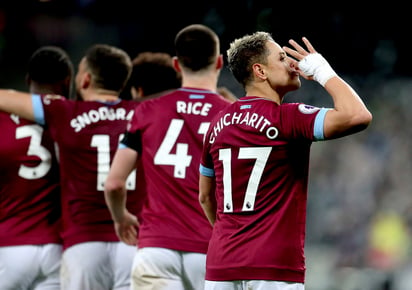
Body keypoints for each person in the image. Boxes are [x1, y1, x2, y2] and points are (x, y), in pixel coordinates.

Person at [198, 33, 372, 290]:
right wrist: (323, 71)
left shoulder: (217, 124)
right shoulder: (287, 118)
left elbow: (205, 196)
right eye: (282, 58)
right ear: (260, 71)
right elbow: (358, 115)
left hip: (221, 267)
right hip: (273, 267)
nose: (293, 64)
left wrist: (229, 239)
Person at [0, 43, 140, 290]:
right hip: (125, 242)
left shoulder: (64, 112)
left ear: (84, 79)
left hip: (69, 243)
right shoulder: (142, 112)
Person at [104, 23, 232, 290]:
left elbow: (114, 183)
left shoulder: (147, 110)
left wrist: (121, 217)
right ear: (219, 62)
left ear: (176, 64)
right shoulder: (232, 115)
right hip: (212, 249)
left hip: (156, 249)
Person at [0, 46, 74, 290]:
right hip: (59, 247)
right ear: (67, 82)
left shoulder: (2, 120)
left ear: (28, 80)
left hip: (9, 246)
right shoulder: (77, 121)